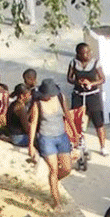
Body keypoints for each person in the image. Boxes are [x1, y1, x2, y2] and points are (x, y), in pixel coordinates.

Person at [24, 78, 71, 208]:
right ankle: (56, 201)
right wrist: (31, 145)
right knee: (53, 169)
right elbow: (33, 124)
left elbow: (67, 114)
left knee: (67, 169)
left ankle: (53, 183)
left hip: (61, 136)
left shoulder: (61, 98)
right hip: (46, 139)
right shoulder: (37, 104)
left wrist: (75, 132)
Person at [66, 40, 106, 153]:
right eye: (84, 53)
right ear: (78, 54)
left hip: (92, 95)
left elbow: (103, 79)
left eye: (88, 52)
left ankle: (103, 146)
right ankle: (80, 143)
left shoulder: (95, 63)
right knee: (77, 120)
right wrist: (78, 82)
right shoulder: (74, 63)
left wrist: (91, 83)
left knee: (98, 121)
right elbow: (69, 78)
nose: (87, 55)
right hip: (78, 95)